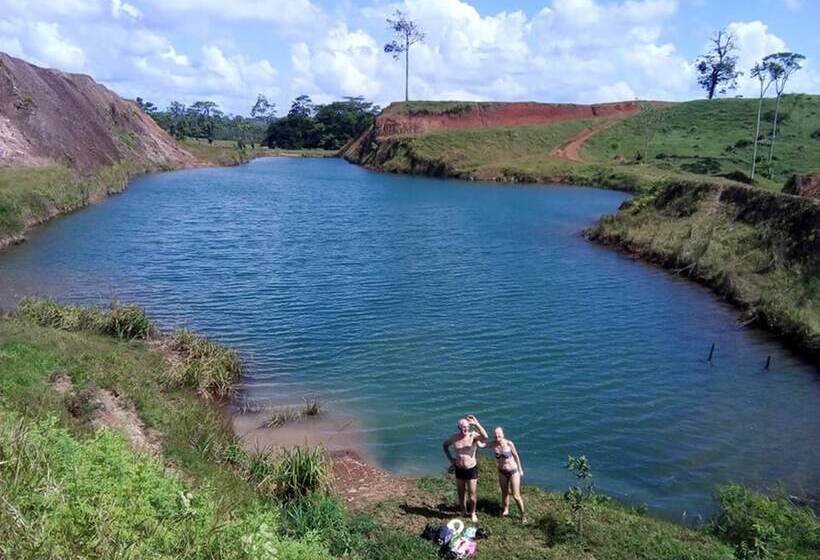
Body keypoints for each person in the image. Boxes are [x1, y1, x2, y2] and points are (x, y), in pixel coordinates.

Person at [443, 414, 488, 522]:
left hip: (471, 469)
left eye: (467, 426)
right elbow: (445, 445)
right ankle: (463, 511)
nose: (465, 428)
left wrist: (476, 423)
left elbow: (485, 437)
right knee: (461, 492)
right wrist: (450, 459)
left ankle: (472, 513)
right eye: (463, 427)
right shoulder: (455, 437)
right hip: (459, 469)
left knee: (472, 495)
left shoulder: (473, 436)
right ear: (459, 427)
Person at [491, 426, 527, 523]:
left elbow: (516, 455)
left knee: (516, 495)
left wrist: (520, 469)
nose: (497, 437)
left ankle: (523, 515)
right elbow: (481, 444)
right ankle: (506, 509)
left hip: (513, 471)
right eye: (495, 436)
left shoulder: (509, 443)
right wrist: (475, 430)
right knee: (504, 492)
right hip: (502, 471)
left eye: (499, 435)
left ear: (503, 434)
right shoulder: (494, 445)